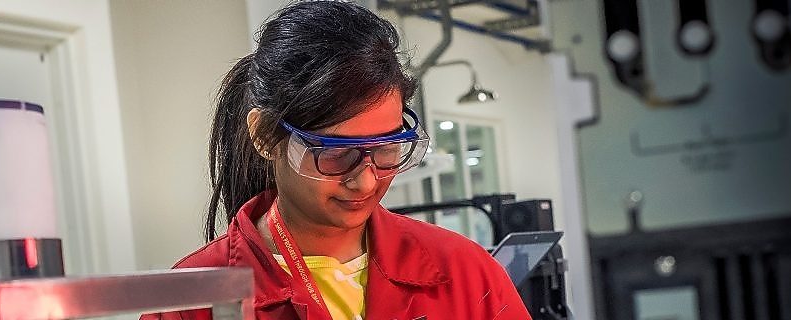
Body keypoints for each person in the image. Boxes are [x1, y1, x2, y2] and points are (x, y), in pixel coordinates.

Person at [141, 1, 529, 319]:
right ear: (263, 135)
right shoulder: (190, 303)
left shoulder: (463, 273)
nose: (365, 181)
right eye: (335, 154)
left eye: (386, 148)